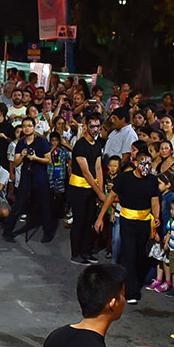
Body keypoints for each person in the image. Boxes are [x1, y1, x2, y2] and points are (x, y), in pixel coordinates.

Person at [96, 143, 160, 304]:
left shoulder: (152, 181)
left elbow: (155, 202)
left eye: (149, 164)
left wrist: (157, 217)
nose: (146, 167)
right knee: (128, 254)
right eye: (143, 164)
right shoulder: (125, 178)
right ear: (136, 163)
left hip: (145, 222)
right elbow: (111, 197)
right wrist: (100, 217)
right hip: (127, 221)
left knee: (140, 254)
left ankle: (135, 281)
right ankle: (131, 292)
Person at [68, 113, 106, 264]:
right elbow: (86, 172)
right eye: (92, 126)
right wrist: (100, 192)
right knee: (79, 221)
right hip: (79, 189)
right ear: (86, 127)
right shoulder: (80, 145)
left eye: (98, 126)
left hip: (92, 189)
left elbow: (98, 168)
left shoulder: (97, 145)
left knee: (89, 220)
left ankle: (86, 251)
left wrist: (101, 191)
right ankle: (76, 254)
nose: (95, 129)